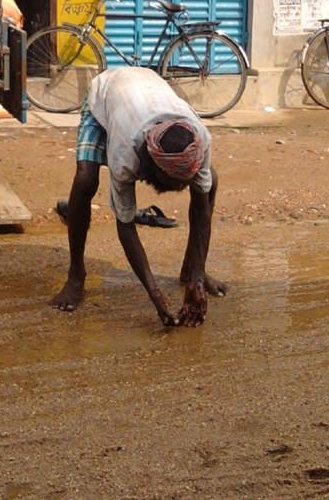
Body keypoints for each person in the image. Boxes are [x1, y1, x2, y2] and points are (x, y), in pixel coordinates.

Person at [51, 66, 225, 327]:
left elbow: (201, 208)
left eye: (184, 182)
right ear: (151, 167)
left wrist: (197, 279)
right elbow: (125, 224)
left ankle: (191, 272)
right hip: (106, 95)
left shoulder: (200, 139)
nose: (180, 189)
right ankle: (76, 274)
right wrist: (155, 295)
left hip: (148, 88)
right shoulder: (126, 154)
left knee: (210, 184)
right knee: (85, 180)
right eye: (175, 183)